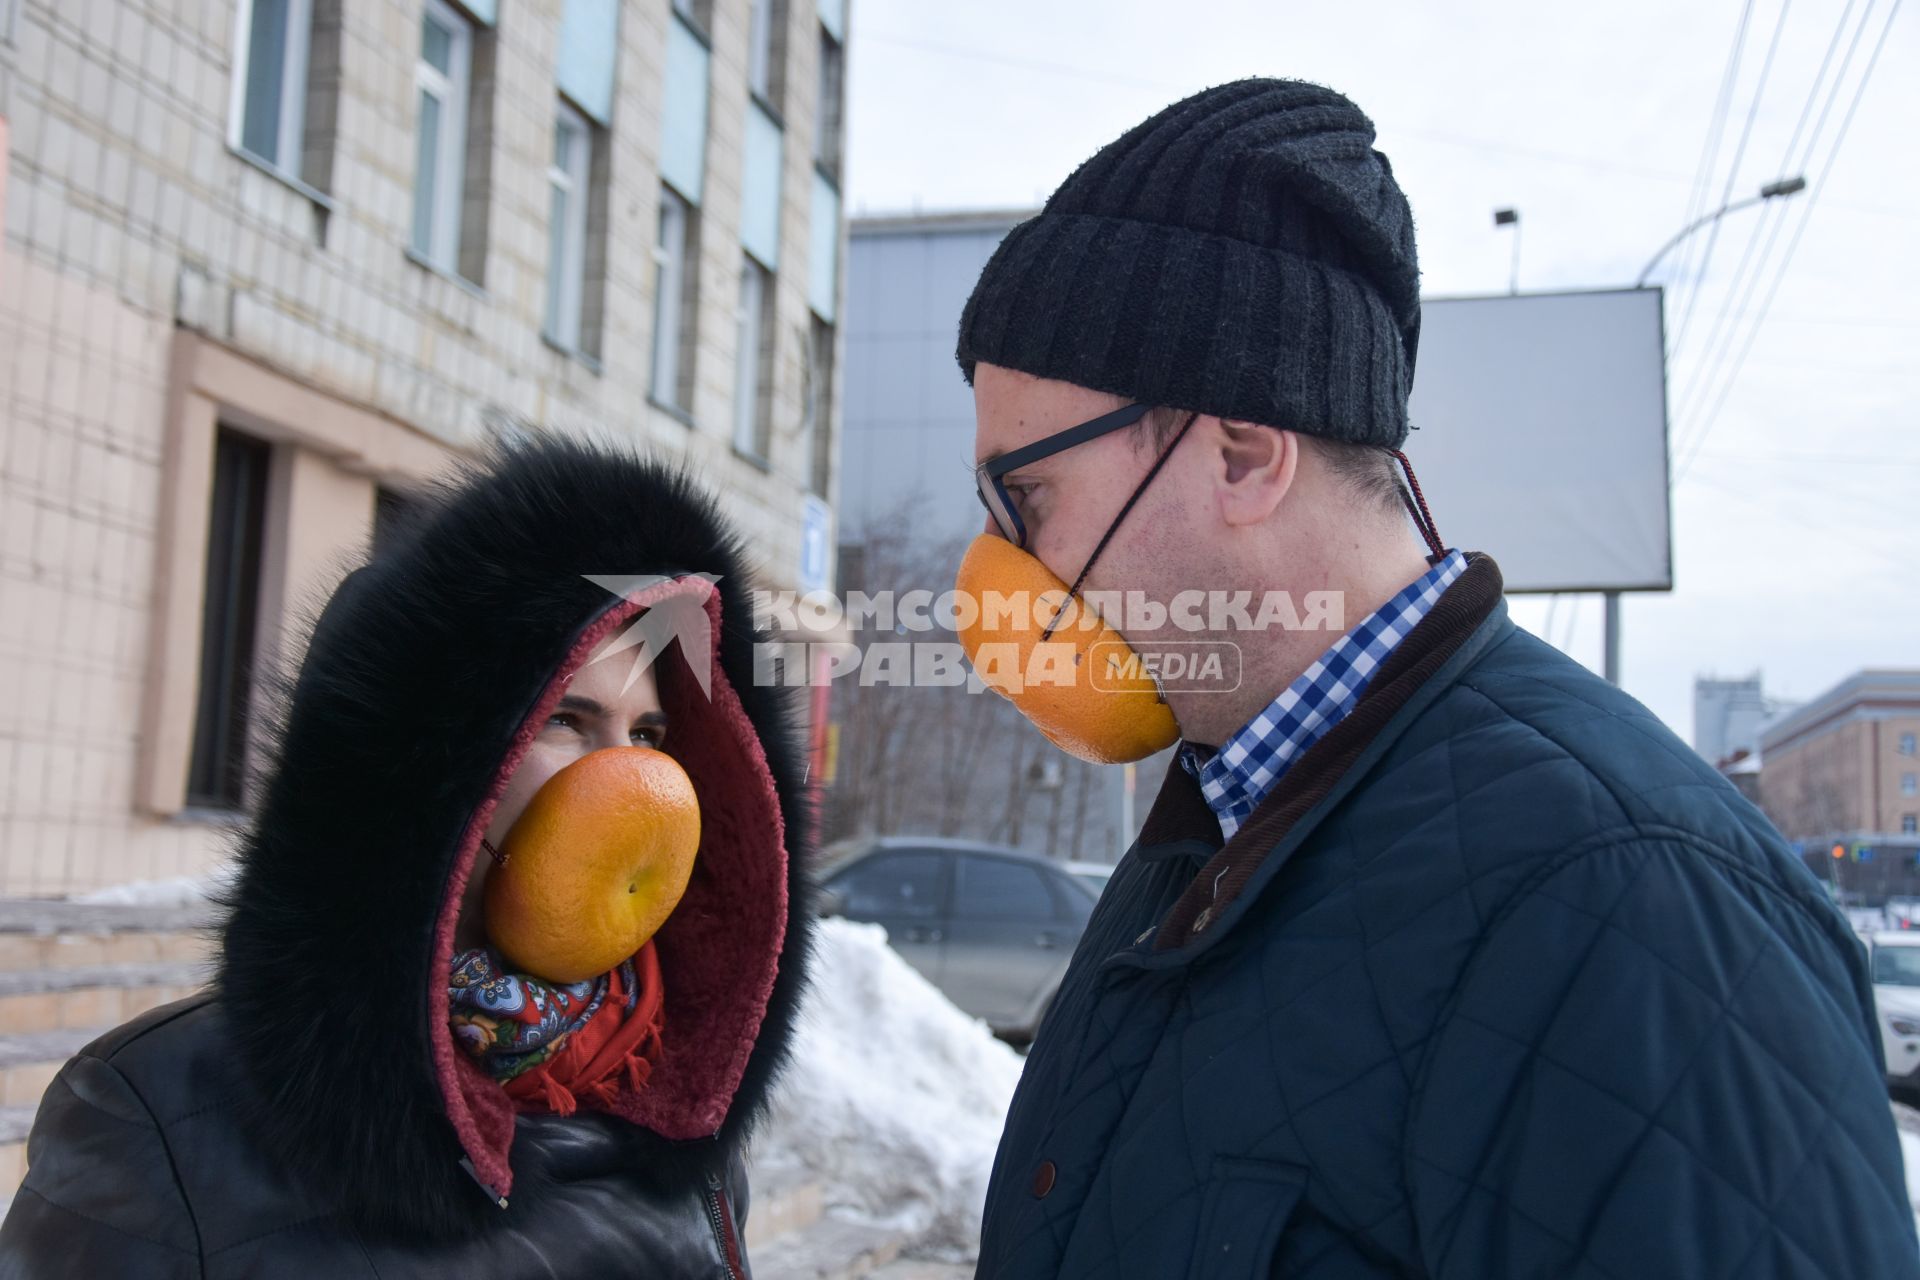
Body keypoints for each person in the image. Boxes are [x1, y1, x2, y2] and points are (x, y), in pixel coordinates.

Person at [953, 78, 1919, 1278]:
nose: (996, 571)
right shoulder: (1211, 832)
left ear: (1244, 455)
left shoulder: (1639, 900)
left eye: (1024, 497)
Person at [0, 437, 811, 1277]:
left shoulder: (668, 1094)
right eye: (567, 721)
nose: (629, 772)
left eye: (647, 733)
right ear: (433, 768)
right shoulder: (156, 1117)